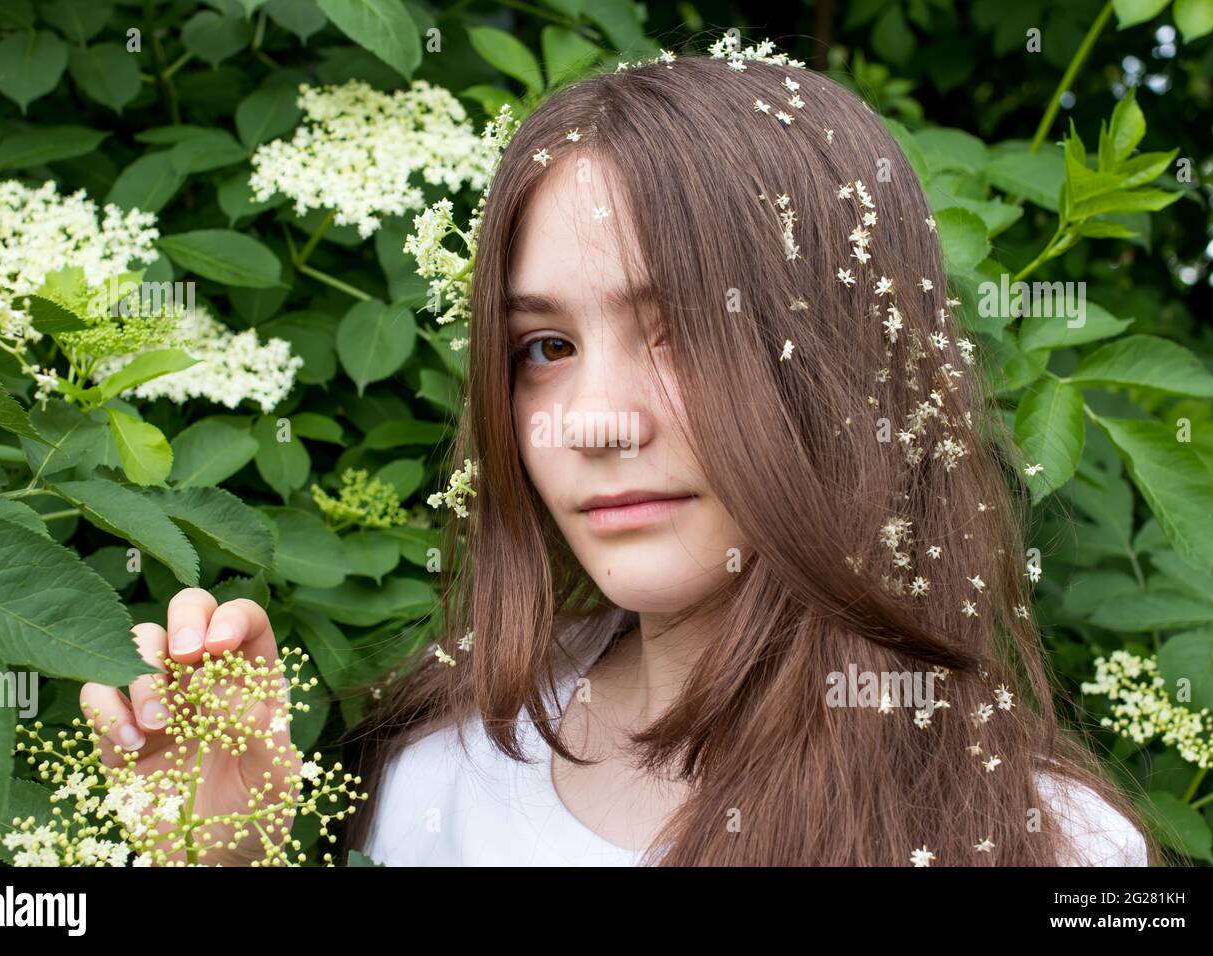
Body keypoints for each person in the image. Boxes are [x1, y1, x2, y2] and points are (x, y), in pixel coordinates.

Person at [83, 46, 1154, 867]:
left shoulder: (1053, 846)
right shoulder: (439, 772)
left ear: (847, 362)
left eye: (684, 329)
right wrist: (227, 858)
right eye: (541, 347)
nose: (590, 421)